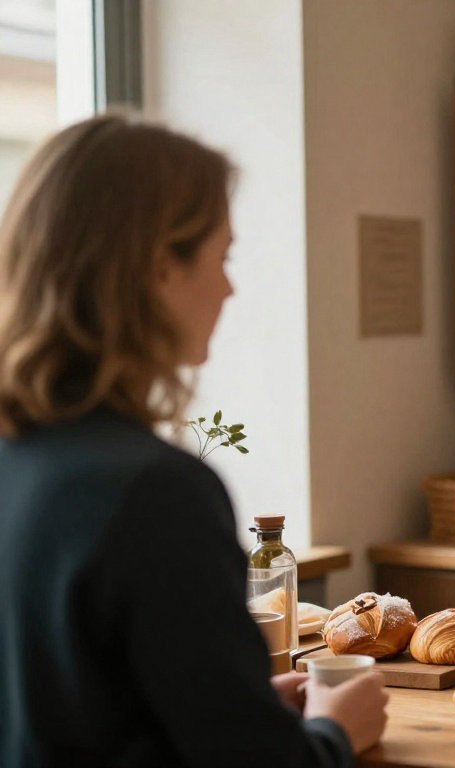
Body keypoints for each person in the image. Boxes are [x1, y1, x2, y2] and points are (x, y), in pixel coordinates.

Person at [0, 114, 387, 767]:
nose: (230, 287)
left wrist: (239, 701)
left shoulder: (22, 461)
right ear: (159, 268)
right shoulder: (154, 492)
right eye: (222, 256)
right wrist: (334, 733)